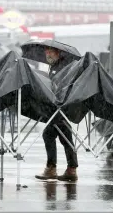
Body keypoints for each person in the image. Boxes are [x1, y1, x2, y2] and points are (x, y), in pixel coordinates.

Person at [35, 46, 79, 181]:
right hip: (57, 106)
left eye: (50, 51)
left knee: (55, 135)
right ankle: (69, 169)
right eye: (46, 51)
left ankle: (54, 168)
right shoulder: (54, 66)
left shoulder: (62, 66)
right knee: (63, 136)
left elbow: (62, 85)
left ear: (58, 53)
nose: (47, 54)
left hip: (60, 106)